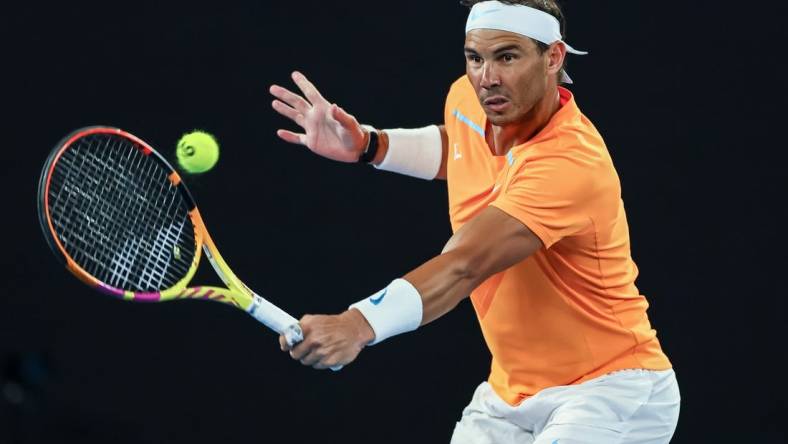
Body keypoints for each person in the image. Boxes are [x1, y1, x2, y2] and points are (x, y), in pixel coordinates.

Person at [269, 1, 680, 442]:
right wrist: (372, 145)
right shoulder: (470, 99)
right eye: (474, 58)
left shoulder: (570, 164)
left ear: (553, 58)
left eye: (507, 56)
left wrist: (358, 324)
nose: (488, 78)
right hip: (509, 395)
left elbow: (465, 263)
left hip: (610, 390)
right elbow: (461, 148)